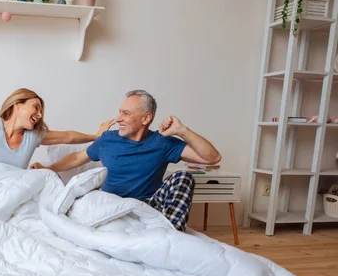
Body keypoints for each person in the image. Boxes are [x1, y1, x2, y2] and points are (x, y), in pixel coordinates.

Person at [30, 90, 221, 232]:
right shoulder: (108, 139)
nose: (118, 118)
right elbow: (78, 158)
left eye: (126, 114)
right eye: (119, 112)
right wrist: (48, 168)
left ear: (146, 118)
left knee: (183, 178)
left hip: (147, 206)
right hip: (110, 205)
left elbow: (212, 158)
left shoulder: (162, 142)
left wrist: (182, 131)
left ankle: (171, 236)